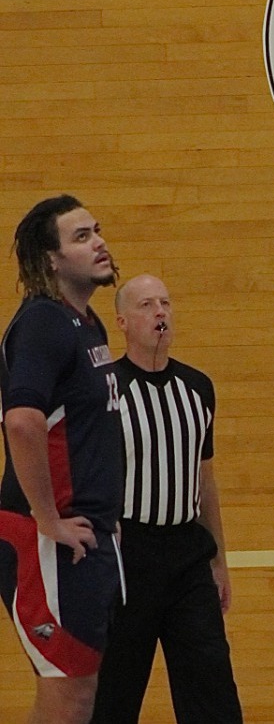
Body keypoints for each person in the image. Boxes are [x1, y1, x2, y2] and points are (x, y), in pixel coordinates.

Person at [90, 274, 243, 724]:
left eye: (166, 303)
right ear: (122, 321)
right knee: (114, 695)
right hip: (127, 557)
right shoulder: (106, 390)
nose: (160, 312)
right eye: (146, 305)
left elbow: (205, 480)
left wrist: (219, 561)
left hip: (187, 556)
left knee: (213, 692)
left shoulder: (198, 388)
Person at [0, 195, 123, 724]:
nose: (99, 242)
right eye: (81, 237)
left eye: (97, 230)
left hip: (86, 535)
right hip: (46, 540)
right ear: (51, 259)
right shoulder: (44, 323)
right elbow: (22, 422)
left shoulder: (87, 324)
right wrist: (48, 520)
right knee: (67, 696)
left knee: (78, 692)